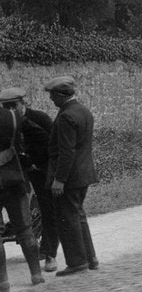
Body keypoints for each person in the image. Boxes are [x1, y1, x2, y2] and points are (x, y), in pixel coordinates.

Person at [44, 75, 98, 277]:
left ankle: (77, 261)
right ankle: (90, 258)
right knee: (78, 216)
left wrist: (59, 180)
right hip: (83, 174)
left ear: (60, 95)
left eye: (52, 95)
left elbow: (67, 152)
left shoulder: (66, 116)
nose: (51, 99)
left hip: (70, 177)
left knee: (68, 218)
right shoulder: (83, 111)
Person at [1, 87, 59, 272]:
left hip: (42, 170)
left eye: (14, 105)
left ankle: (49, 253)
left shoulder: (39, 118)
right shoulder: (7, 121)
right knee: (20, 209)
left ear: (23, 103)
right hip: (19, 172)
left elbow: (53, 144)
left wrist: (37, 162)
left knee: (48, 209)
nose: (11, 109)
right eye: (6, 106)